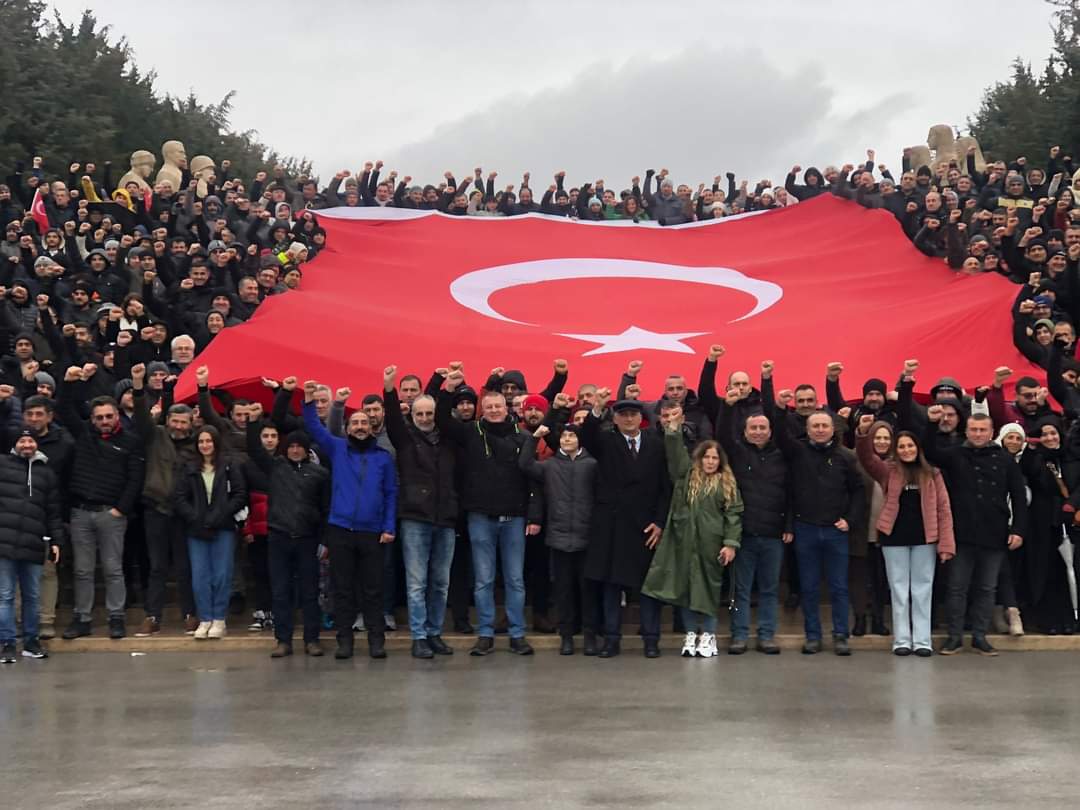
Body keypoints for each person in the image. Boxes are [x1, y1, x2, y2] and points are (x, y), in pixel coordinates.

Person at [436, 367, 535, 657]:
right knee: (483, 580)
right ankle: (486, 634)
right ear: (483, 408)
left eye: (498, 406)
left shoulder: (523, 438)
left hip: (514, 518)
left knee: (515, 579)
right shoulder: (470, 433)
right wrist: (447, 389)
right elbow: (443, 419)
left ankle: (517, 634)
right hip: (481, 518)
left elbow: (531, 479)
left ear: (508, 408)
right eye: (489, 406)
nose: (493, 410)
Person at [302, 378, 397, 660]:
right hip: (341, 529)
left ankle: (376, 641)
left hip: (373, 532)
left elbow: (391, 493)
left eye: (364, 423)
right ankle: (345, 642)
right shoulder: (337, 449)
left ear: (371, 427)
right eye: (354, 423)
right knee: (342, 589)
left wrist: (389, 526)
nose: (359, 427)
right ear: (346, 428)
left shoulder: (383, 457)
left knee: (373, 590)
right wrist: (308, 400)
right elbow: (314, 428)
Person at [924, 409, 1027, 656]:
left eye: (982, 430)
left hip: (995, 533)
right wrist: (930, 424)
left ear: (991, 432)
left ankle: (980, 636)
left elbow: (1019, 497)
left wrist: (1019, 529)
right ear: (966, 431)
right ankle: (955, 637)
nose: (978, 434)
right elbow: (930, 452)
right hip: (962, 533)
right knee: (957, 587)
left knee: (987, 588)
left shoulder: (1004, 459)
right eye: (973, 430)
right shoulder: (956, 454)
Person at [642, 411, 742, 659]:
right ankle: (690, 634)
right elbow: (675, 454)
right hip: (683, 541)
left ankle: (708, 635)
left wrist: (730, 543)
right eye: (706, 457)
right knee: (684, 589)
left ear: (720, 461)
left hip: (711, 544)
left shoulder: (726, 483)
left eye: (714, 458)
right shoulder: (686, 477)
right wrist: (673, 430)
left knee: (708, 588)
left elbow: (734, 515)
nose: (710, 461)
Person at [578, 392, 672, 658]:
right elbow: (586, 438)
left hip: (645, 526)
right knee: (611, 585)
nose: (629, 419)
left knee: (648, 586)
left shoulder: (656, 443)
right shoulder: (606, 440)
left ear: (641, 418)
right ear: (615, 419)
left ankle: (651, 639)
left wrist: (660, 522)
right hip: (613, 526)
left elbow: (666, 488)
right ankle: (611, 639)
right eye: (623, 415)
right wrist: (596, 409)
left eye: (633, 414)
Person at [57, 365, 145, 641]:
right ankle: (82, 618)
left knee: (113, 568)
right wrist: (70, 383)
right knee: (82, 570)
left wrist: (121, 509)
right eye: (99, 417)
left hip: (111, 513)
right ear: (93, 419)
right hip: (81, 511)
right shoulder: (83, 434)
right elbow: (65, 409)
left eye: (109, 416)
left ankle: (116, 617)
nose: (104, 421)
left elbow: (135, 479)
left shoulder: (131, 441)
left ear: (117, 415)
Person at [855, 415, 955, 656]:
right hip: (894, 539)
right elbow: (866, 458)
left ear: (917, 448)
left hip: (925, 539)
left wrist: (946, 543)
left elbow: (944, 508)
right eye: (901, 446)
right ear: (895, 450)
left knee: (923, 589)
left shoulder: (933, 474)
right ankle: (901, 640)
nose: (906, 450)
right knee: (899, 589)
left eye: (910, 445)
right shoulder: (887, 471)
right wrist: (863, 432)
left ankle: (922, 641)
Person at [772, 404, 865, 655]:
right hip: (805, 529)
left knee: (838, 587)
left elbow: (858, 491)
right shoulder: (798, 452)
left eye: (825, 425)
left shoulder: (846, 456)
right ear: (808, 429)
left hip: (836, 531)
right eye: (816, 426)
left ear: (833, 429)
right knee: (809, 587)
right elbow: (780, 434)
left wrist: (850, 520)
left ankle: (840, 636)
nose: (821, 430)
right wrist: (779, 409)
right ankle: (812, 636)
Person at [713, 358, 791, 655]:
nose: (758, 431)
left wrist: (787, 526)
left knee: (769, 590)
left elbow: (789, 494)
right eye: (753, 427)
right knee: (741, 590)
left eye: (763, 427)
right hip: (744, 534)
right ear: (744, 431)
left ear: (770, 431)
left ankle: (767, 636)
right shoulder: (735, 451)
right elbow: (721, 434)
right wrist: (729, 407)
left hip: (773, 535)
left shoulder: (780, 455)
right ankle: (739, 636)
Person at [382, 365, 457, 659]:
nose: (425, 418)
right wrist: (388, 388)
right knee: (417, 582)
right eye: (419, 413)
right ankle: (419, 636)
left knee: (440, 582)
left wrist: (445, 385)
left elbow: (447, 408)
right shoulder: (405, 438)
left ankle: (435, 632)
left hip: (445, 517)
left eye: (429, 413)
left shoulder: (449, 439)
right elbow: (392, 417)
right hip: (415, 517)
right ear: (412, 416)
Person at [245, 413, 330, 658]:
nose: (294, 450)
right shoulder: (276, 467)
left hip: (307, 539)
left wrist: (324, 540)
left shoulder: (320, 474)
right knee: (280, 591)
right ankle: (283, 640)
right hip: (279, 537)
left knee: (309, 592)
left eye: (299, 447)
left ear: (306, 450)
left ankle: (311, 640)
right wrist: (252, 423)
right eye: (291, 446)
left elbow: (325, 510)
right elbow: (254, 449)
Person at [519, 415, 599, 656]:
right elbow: (525, 465)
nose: (567, 439)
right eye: (563, 436)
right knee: (563, 590)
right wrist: (534, 439)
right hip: (559, 537)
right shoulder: (550, 465)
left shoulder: (592, 465)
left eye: (572, 435)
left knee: (587, 591)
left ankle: (589, 636)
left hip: (586, 537)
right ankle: (566, 636)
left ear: (580, 440)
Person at [129, 362, 198, 637]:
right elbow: (142, 420)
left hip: (183, 512)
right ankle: (152, 616)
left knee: (184, 567)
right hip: (156, 508)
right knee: (157, 567)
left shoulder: (198, 444)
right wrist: (137, 384)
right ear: (167, 421)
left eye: (183, 422)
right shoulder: (155, 435)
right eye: (174, 421)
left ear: (191, 423)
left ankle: (190, 614)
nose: (178, 426)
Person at [173, 424, 247, 640]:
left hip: (222, 526)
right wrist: (195, 516)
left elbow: (240, 494)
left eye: (209, 441)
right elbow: (179, 497)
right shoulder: (188, 467)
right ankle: (204, 618)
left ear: (216, 442)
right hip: (196, 528)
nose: (205, 445)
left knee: (222, 574)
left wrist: (221, 514)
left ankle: (219, 619)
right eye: (201, 442)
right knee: (200, 576)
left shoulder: (229, 465)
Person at [0, 431, 64, 663]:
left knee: (32, 596)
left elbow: (53, 511)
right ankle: (6, 643)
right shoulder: (2, 465)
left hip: (34, 542)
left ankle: (30, 641)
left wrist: (57, 540)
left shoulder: (46, 473)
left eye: (30, 441)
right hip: (4, 542)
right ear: (14, 444)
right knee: (5, 596)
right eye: (22, 441)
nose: (26, 444)